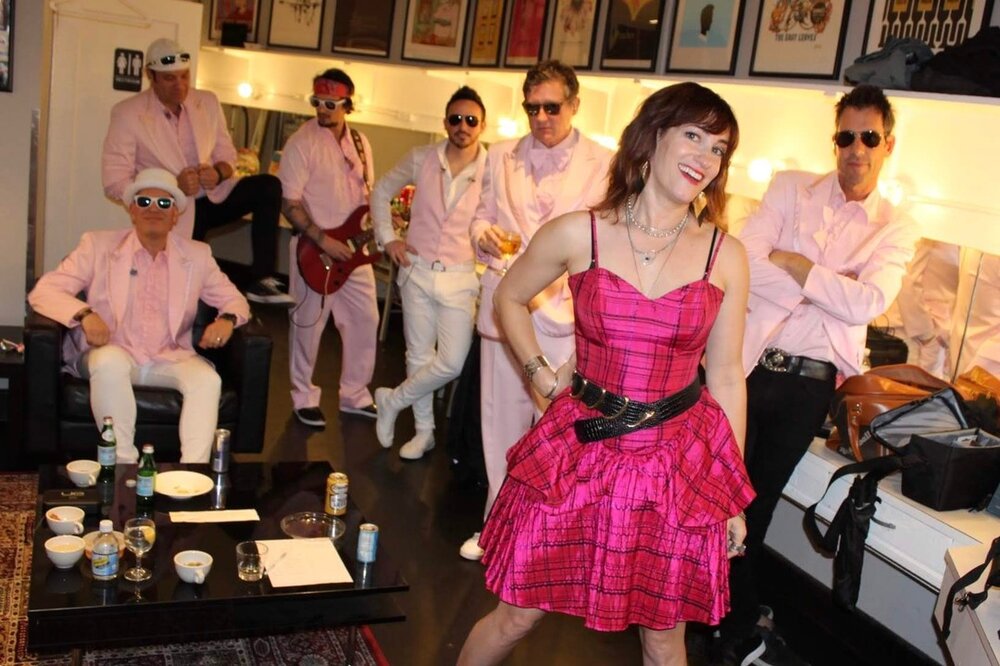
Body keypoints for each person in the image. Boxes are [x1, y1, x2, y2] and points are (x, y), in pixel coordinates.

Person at [456, 81, 754, 666]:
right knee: (516, 615)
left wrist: (728, 497)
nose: (705, 157)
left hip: (674, 467)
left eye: (719, 148)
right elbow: (509, 296)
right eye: (693, 136)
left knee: (663, 639)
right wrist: (541, 376)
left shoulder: (727, 256)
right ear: (653, 137)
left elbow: (725, 376)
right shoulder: (580, 231)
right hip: (579, 452)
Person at [719, 84, 919, 666]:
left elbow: (869, 302)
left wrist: (798, 265)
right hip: (747, 366)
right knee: (719, 496)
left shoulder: (896, 226)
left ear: (887, 145)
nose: (856, 148)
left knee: (755, 507)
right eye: (845, 136)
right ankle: (733, 620)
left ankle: (734, 624)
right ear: (834, 141)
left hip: (808, 385)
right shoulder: (789, 188)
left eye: (869, 137)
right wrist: (828, 286)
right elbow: (744, 260)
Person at [460, 60, 613, 560]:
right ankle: (494, 526)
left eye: (551, 107)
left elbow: (607, 239)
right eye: (532, 109)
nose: (541, 117)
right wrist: (482, 235)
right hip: (506, 311)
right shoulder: (500, 155)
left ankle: (548, 536)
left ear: (574, 104)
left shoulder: (604, 162)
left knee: (559, 431)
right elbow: (481, 216)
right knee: (499, 426)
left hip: (568, 317)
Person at [27, 168, 251, 463]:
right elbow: (43, 291)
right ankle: (124, 466)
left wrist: (227, 320)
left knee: (207, 380)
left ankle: (193, 472)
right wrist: (85, 314)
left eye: (164, 203)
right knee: (109, 362)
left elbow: (235, 300)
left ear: (175, 215)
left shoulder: (197, 255)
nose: (153, 209)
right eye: (144, 202)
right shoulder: (97, 246)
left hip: (169, 357)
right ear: (132, 211)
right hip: (111, 350)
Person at [102, 38, 293, 306]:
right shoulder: (128, 113)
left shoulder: (207, 101)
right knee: (181, 290)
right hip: (172, 210)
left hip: (212, 197)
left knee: (268, 186)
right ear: (150, 76)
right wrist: (171, 186)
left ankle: (261, 279)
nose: (180, 85)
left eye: (184, 76)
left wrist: (219, 172)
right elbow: (114, 182)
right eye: (169, 79)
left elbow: (228, 156)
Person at [371, 86, 488, 459]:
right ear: (445, 122)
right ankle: (424, 433)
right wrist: (389, 239)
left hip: (460, 276)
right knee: (418, 355)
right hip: (417, 270)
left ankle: (393, 400)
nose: (462, 126)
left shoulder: (491, 170)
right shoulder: (421, 157)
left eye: (471, 120)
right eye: (456, 119)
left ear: (482, 126)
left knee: (452, 361)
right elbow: (380, 192)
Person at [277, 68, 379, 428]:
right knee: (308, 325)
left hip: (353, 251)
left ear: (348, 104)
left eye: (330, 103)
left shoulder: (361, 143)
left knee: (366, 320)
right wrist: (323, 240)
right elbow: (289, 203)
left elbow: (366, 197)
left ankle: (355, 394)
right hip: (315, 250)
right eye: (317, 102)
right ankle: (303, 397)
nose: (322, 109)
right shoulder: (300, 144)